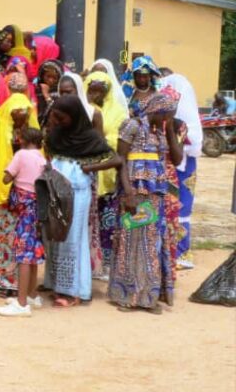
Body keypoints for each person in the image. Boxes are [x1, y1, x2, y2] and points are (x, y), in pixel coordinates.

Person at [44, 95, 120, 307]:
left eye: (62, 118)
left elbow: (116, 159)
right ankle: (58, 285)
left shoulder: (90, 138)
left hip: (77, 193)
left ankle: (73, 291)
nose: (58, 122)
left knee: (72, 238)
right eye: (55, 117)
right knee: (56, 237)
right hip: (56, 191)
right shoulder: (55, 135)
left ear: (75, 116)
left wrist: (90, 168)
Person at [111, 91, 183, 313]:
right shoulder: (132, 126)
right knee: (131, 242)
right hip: (135, 194)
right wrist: (129, 193)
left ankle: (149, 296)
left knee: (151, 245)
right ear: (157, 110)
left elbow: (176, 158)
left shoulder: (159, 134)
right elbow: (119, 160)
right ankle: (129, 296)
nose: (167, 120)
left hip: (154, 196)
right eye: (167, 116)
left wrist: (169, 129)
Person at [0, 92, 39, 297]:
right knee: (3, 236)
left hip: (26, 193)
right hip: (2, 187)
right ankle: (4, 281)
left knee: (23, 238)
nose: (21, 116)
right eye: (17, 113)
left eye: (24, 113)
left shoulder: (31, 128)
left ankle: (23, 283)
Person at [0, 127, 47, 317]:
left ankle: (22, 303)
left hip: (24, 210)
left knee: (23, 255)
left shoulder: (21, 154)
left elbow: (6, 178)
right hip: (36, 210)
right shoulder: (42, 158)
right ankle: (32, 295)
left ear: (23, 139)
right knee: (31, 254)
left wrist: (10, 173)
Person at [86, 70, 128, 275]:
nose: (96, 95)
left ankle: (108, 263)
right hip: (87, 167)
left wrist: (101, 139)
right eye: (92, 90)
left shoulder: (118, 111)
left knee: (107, 220)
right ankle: (90, 264)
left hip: (108, 169)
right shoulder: (82, 108)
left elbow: (118, 140)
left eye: (100, 91)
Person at [162, 73, 202, 269]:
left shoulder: (188, 122)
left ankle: (181, 252)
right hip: (165, 167)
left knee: (183, 207)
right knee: (166, 207)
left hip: (184, 167)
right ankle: (165, 250)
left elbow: (195, 143)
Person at [35, 59, 63, 125]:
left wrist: (46, 96)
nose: (51, 80)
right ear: (42, 76)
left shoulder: (60, 93)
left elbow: (56, 111)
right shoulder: (36, 90)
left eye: (54, 78)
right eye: (48, 76)